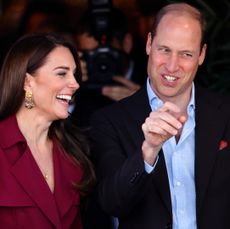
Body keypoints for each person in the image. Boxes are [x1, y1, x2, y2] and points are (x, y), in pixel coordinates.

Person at [88, 2, 230, 229]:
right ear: (148, 44)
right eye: (164, 50)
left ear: (201, 55)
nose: (172, 66)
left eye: (186, 54)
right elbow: (111, 203)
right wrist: (148, 153)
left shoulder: (225, 113)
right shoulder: (109, 120)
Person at [0, 33, 95, 228]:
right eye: (62, 73)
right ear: (27, 82)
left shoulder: (73, 152)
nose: (75, 84)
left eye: (74, 73)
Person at [70, 7, 146, 128]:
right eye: (89, 55)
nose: (100, 64)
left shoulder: (153, 79)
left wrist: (146, 106)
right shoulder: (77, 85)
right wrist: (69, 90)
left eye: (103, 55)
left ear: (126, 43)